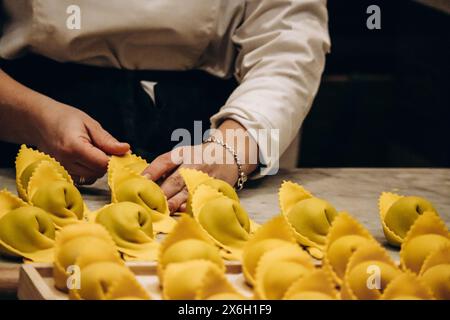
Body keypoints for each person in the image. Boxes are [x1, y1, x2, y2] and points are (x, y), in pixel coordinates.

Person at [0, 0, 330, 213]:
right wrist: (32, 115)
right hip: (29, 126)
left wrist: (233, 148)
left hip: (213, 128)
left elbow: (288, 42)